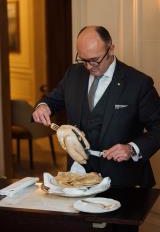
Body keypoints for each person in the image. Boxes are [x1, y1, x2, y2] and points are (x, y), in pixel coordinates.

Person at [32, 26, 160, 232]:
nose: (89, 66)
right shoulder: (73, 74)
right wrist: (43, 106)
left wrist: (132, 148)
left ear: (111, 49)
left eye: (94, 60)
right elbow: (52, 99)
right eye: (83, 60)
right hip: (77, 179)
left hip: (121, 182)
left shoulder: (138, 83)